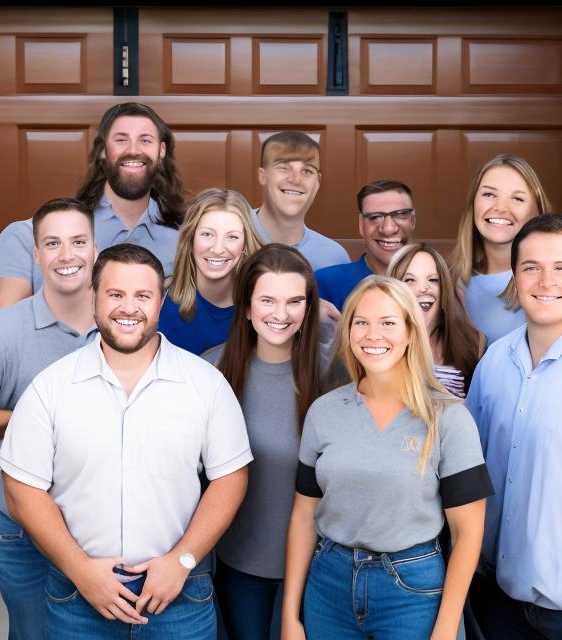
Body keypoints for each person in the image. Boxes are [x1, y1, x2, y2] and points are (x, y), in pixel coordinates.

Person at [0, 244, 252, 640]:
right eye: (115, 294)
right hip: (78, 594)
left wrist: (182, 561)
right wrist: (78, 568)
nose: (128, 307)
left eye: (142, 296)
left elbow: (231, 478)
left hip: (179, 595)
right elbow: (21, 488)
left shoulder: (205, 384)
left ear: (161, 301)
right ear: (93, 297)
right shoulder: (50, 388)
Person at [282, 275, 493, 640]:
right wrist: (290, 615)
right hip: (328, 585)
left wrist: (446, 627)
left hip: (411, 591)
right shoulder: (324, 411)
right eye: (360, 322)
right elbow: (303, 517)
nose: (372, 334)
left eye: (388, 323)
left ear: (411, 332)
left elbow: (468, 533)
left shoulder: (449, 419)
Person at [0, 198, 98, 640]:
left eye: (77, 241)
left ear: (96, 248)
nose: (66, 255)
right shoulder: (3, 330)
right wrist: (34, 417)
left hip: (94, 521)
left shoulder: (123, 323)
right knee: (35, 632)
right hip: (16, 525)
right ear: (35, 255)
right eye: (52, 243)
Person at [204, 244, 321, 640]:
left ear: (308, 308)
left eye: (294, 301)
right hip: (239, 567)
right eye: (267, 300)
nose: (280, 314)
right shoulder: (210, 372)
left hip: (320, 568)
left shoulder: (338, 371)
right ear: (247, 307)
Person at [0, 102, 185, 315]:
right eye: (121, 139)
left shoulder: (188, 243)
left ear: (161, 150)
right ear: (102, 151)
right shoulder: (26, 236)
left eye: (145, 140)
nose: (133, 150)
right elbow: (1, 332)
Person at [466, 213, 562, 639]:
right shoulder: (493, 364)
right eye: (531, 268)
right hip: (499, 604)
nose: (546, 281)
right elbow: (469, 472)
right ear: (514, 278)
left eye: (560, 267)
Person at [449, 153, 551, 345]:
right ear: (473, 204)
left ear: (536, 211)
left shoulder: (552, 284)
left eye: (517, 199)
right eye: (489, 194)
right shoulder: (447, 281)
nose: (501, 208)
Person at [159, 188, 263, 355]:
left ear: (245, 244)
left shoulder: (264, 307)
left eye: (232, 237)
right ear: (190, 240)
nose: (217, 248)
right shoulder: (160, 302)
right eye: (207, 234)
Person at [387, 243, 482, 397]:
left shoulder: (472, 344)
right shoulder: (379, 344)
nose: (423, 288)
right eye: (410, 280)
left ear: (444, 289)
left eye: (433, 280)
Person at [252, 131, 350, 271]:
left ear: (317, 182)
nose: (296, 179)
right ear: (263, 176)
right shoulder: (227, 239)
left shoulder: (334, 259)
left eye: (307, 171)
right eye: (284, 168)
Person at [315, 180, 416, 313]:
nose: (388, 229)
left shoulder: (435, 285)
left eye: (400, 215)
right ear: (361, 225)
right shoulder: (326, 283)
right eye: (375, 217)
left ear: (413, 221)